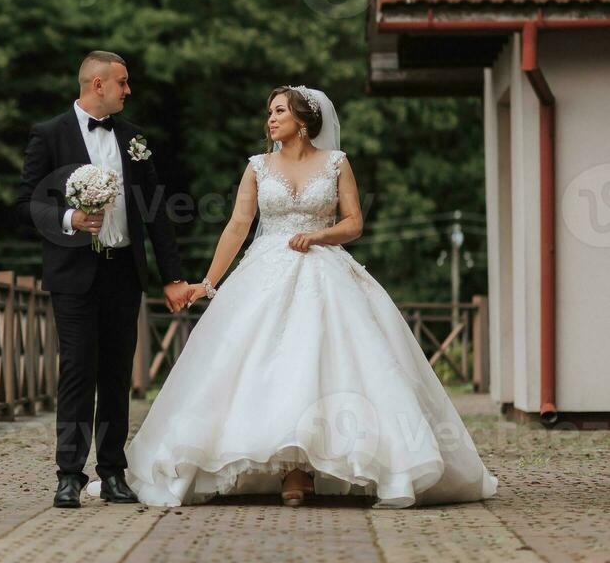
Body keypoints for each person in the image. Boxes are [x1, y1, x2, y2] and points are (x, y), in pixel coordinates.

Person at [122, 85, 497, 507]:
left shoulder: (337, 163)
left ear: (303, 121)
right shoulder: (258, 167)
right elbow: (237, 226)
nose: (271, 119)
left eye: (279, 111)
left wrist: (320, 235)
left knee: (332, 360)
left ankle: (358, 464)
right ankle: (288, 469)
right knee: (266, 364)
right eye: (269, 112)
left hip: (324, 268)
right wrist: (208, 283)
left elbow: (353, 222)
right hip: (265, 271)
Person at [14, 51, 191, 509]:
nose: (128, 91)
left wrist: (172, 276)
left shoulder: (133, 139)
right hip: (73, 275)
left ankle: (112, 472)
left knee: (116, 374)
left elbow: (155, 210)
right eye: (123, 83)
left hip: (123, 272)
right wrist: (70, 217)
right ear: (98, 85)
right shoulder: (48, 135)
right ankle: (68, 474)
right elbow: (24, 204)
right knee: (77, 371)